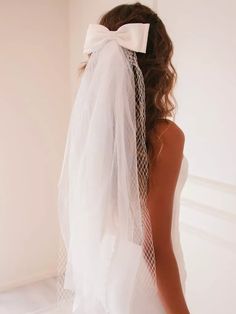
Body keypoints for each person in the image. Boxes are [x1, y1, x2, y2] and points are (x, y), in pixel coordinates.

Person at [57, 2, 190, 314]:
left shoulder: (95, 130)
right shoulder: (165, 136)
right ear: (160, 66)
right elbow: (154, 246)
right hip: (144, 282)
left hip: (106, 267)